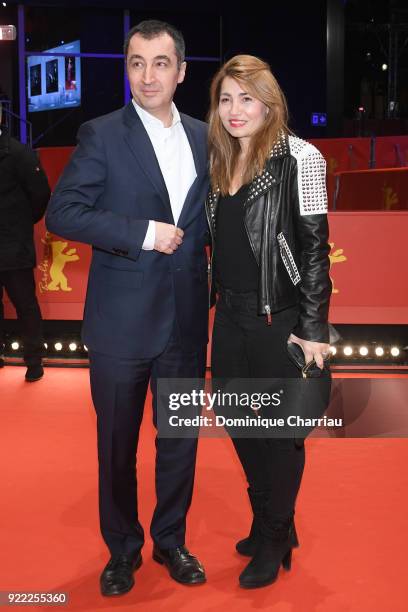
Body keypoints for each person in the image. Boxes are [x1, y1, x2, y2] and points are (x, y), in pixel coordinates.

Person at [46, 20, 209, 596]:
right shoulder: (101, 134)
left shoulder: (205, 136)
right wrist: (142, 232)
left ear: (182, 71)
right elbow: (62, 213)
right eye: (137, 63)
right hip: (119, 324)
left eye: (161, 63)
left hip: (188, 321)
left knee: (180, 439)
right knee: (116, 446)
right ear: (127, 69)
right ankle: (122, 549)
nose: (148, 75)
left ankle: (171, 539)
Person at [206, 55, 332, 589]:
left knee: (279, 436)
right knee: (239, 423)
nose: (235, 111)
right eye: (226, 98)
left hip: (278, 321)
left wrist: (312, 328)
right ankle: (268, 518)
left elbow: (316, 253)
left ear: (269, 102)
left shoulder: (304, 157)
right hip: (229, 317)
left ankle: (277, 532)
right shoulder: (217, 158)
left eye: (247, 98)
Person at [0, 124, 50, 381]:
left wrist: (21, 222)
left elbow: (41, 194)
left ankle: (34, 361)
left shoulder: (19, 154)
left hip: (13, 244)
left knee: (25, 305)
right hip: (13, 240)